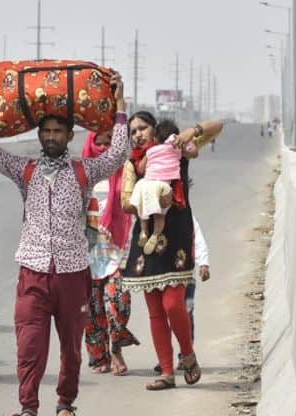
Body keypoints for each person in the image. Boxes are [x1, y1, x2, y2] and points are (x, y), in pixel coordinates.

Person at [0, 71, 130, 416]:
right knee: (29, 346)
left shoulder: (84, 171)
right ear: (39, 135)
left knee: (71, 347)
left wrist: (120, 104)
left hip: (73, 272)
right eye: (47, 131)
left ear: (70, 135)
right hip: (33, 272)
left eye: (58, 131)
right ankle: (28, 408)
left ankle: (65, 403)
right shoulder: (24, 170)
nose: (52, 136)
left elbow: (118, 154)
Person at [120, 111, 222, 390]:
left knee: (173, 304)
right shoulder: (134, 164)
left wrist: (193, 130)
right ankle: (166, 371)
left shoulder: (177, 150)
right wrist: (148, 195)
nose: (138, 134)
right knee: (155, 311)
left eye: (143, 128)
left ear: (155, 130)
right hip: (146, 242)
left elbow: (218, 126)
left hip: (177, 237)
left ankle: (187, 354)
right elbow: (125, 203)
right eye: (133, 131)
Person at [81, 130, 139, 376]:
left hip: (118, 249)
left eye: (109, 143)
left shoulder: (125, 169)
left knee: (118, 304)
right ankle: (99, 357)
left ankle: (116, 348)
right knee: (92, 311)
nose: (103, 148)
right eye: (99, 143)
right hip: (87, 251)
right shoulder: (82, 172)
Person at [154, 214, 210, 374]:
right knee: (163, 315)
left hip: (186, 277)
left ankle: (185, 355)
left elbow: (198, 240)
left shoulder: (187, 217)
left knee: (185, 313)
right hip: (163, 276)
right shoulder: (155, 216)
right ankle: (165, 358)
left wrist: (204, 263)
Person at [129, 119, 195, 256]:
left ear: (154, 138)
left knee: (143, 211)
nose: (138, 134)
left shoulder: (151, 151)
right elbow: (194, 153)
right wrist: (183, 141)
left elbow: (141, 169)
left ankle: (143, 231)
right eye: (134, 131)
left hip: (146, 184)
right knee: (160, 214)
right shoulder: (177, 149)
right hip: (163, 186)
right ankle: (155, 235)